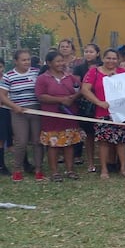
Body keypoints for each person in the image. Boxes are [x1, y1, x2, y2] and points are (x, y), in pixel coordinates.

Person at [81, 49, 125, 179]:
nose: (111, 61)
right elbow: (85, 90)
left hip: (120, 112)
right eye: (108, 58)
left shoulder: (122, 73)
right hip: (102, 111)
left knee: (121, 141)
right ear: (103, 59)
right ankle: (104, 169)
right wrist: (99, 102)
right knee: (104, 142)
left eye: (114, 58)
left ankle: (123, 167)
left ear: (118, 60)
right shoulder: (94, 72)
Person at [34, 51, 86, 182]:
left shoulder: (69, 77)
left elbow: (81, 89)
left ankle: (70, 170)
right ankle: (55, 172)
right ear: (49, 63)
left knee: (69, 143)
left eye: (62, 61)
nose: (61, 64)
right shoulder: (42, 78)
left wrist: (73, 97)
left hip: (69, 115)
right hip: (51, 117)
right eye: (57, 61)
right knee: (53, 144)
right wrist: (61, 100)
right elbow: (40, 96)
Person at [0, 49, 44, 181]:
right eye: (23, 60)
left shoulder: (37, 73)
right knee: (21, 142)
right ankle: (17, 169)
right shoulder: (9, 76)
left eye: (28, 59)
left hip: (36, 110)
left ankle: (38, 169)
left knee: (37, 141)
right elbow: (2, 95)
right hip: (18, 112)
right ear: (16, 61)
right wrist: (14, 107)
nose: (27, 62)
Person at [73, 43, 101, 172]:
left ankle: (106, 161)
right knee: (89, 134)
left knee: (104, 134)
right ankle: (90, 163)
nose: (88, 54)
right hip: (86, 105)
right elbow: (77, 86)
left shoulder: (102, 66)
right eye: (86, 51)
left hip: (102, 101)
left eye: (91, 51)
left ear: (97, 53)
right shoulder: (79, 68)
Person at [0, 59, 11, 176]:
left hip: (7, 110)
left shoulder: (7, 78)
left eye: (1, 66)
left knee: (9, 138)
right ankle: (1, 165)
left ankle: (25, 162)